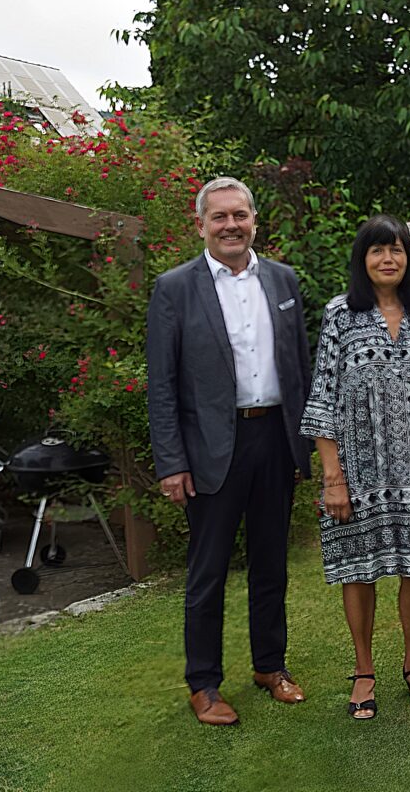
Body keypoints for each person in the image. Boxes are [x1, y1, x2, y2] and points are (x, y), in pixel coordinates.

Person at [146, 176, 312, 726]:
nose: (231, 226)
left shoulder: (283, 281)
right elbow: (163, 384)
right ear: (201, 225)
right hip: (210, 448)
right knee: (209, 570)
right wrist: (171, 462)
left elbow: (300, 369)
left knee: (271, 563)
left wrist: (305, 445)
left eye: (239, 215)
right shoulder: (176, 288)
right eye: (219, 217)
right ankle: (205, 684)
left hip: (274, 439)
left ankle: (270, 665)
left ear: (254, 221)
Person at [300, 214, 410, 720]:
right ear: (361, 260)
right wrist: (332, 476)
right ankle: (364, 670)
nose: (388, 259)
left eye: (397, 250)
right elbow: (323, 395)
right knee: (358, 571)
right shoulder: (340, 314)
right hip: (357, 469)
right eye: (377, 250)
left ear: (408, 260)